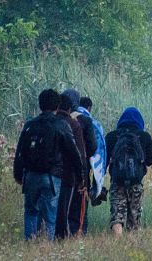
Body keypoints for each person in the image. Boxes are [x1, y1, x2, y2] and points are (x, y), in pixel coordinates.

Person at [12, 89, 83, 241]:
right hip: (52, 176)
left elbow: (20, 152)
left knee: (31, 211)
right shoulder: (62, 125)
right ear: (58, 106)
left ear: (40, 104)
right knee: (50, 216)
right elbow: (74, 153)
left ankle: (30, 247)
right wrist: (81, 177)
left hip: (30, 176)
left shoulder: (30, 125)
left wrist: (18, 175)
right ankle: (45, 248)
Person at [105, 107, 152, 235]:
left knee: (117, 214)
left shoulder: (111, 136)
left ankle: (118, 243)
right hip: (136, 182)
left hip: (117, 181)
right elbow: (150, 161)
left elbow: (104, 162)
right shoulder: (144, 136)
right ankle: (132, 246)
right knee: (134, 215)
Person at [61, 88, 98, 236]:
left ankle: (60, 237)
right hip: (81, 170)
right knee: (80, 207)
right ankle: (79, 237)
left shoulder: (58, 118)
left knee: (62, 207)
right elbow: (93, 147)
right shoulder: (85, 120)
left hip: (59, 171)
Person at [55, 94, 89, 239]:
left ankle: (42, 239)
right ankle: (67, 238)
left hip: (49, 172)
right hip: (69, 175)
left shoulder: (50, 122)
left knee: (50, 210)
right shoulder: (75, 123)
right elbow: (80, 153)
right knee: (68, 209)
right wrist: (83, 177)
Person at [78, 96, 108, 212]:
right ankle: (82, 229)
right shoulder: (94, 124)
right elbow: (98, 151)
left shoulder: (68, 119)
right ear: (89, 108)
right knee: (81, 204)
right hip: (84, 167)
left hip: (64, 170)